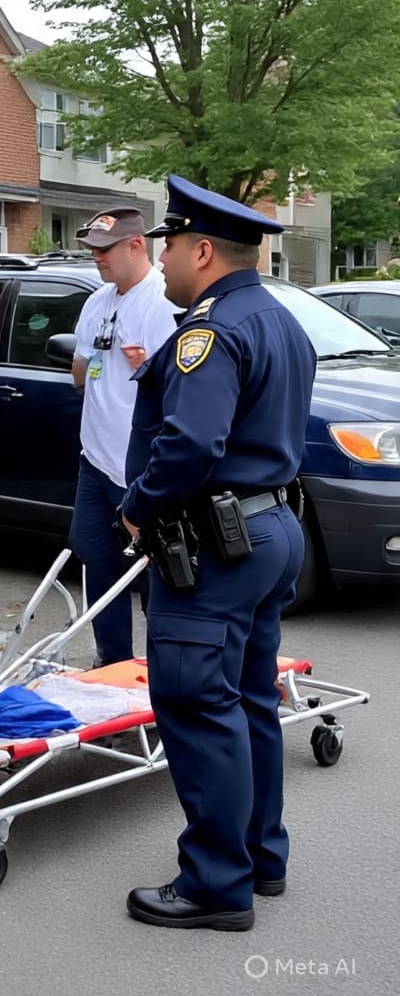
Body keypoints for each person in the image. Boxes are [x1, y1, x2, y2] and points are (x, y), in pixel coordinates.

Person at [120, 175, 316, 933]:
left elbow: (193, 441)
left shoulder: (209, 331)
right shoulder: (279, 319)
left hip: (215, 547)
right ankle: (261, 858)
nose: (163, 259)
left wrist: (137, 506)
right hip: (267, 531)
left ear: (202, 250)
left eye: (169, 245)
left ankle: (215, 883)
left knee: (199, 705)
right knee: (247, 701)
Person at [69, 208, 179, 665]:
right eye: (92, 249)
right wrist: (92, 359)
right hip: (94, 461)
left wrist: (148, 369)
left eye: (104, 249)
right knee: (98, 561)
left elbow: (185, 386)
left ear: (137, 245)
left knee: (157, 572)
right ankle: (111, 663)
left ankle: (166, 674)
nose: (96, 257)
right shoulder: (98, 301)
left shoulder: (162, 301)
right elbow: (80, 371)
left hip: (140, 467)